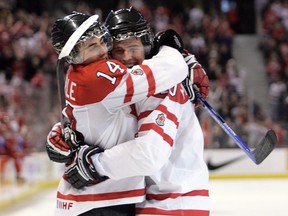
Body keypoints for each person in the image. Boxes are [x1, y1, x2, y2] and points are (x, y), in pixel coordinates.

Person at [46, 11, 191, 216]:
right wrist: (172, 49)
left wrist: (59, 132)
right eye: (92, 46)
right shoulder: (99, 75)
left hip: (90, 200)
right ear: (74, 56)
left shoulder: (78, 74)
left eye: (102, 41)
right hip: (100, 200)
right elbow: (173, 69)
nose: (104, 50)